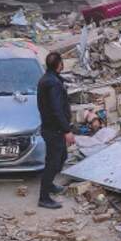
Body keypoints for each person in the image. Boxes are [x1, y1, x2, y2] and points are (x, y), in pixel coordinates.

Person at [36, 52, 74, 209]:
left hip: (51, 128)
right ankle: (44, 197)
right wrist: (67, 130)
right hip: (54, 130)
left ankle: (50, 185)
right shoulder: (52, 83)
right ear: (59, 64)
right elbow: (56, 109)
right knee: (53, 162)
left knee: (61, 156)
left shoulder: (48, 79)